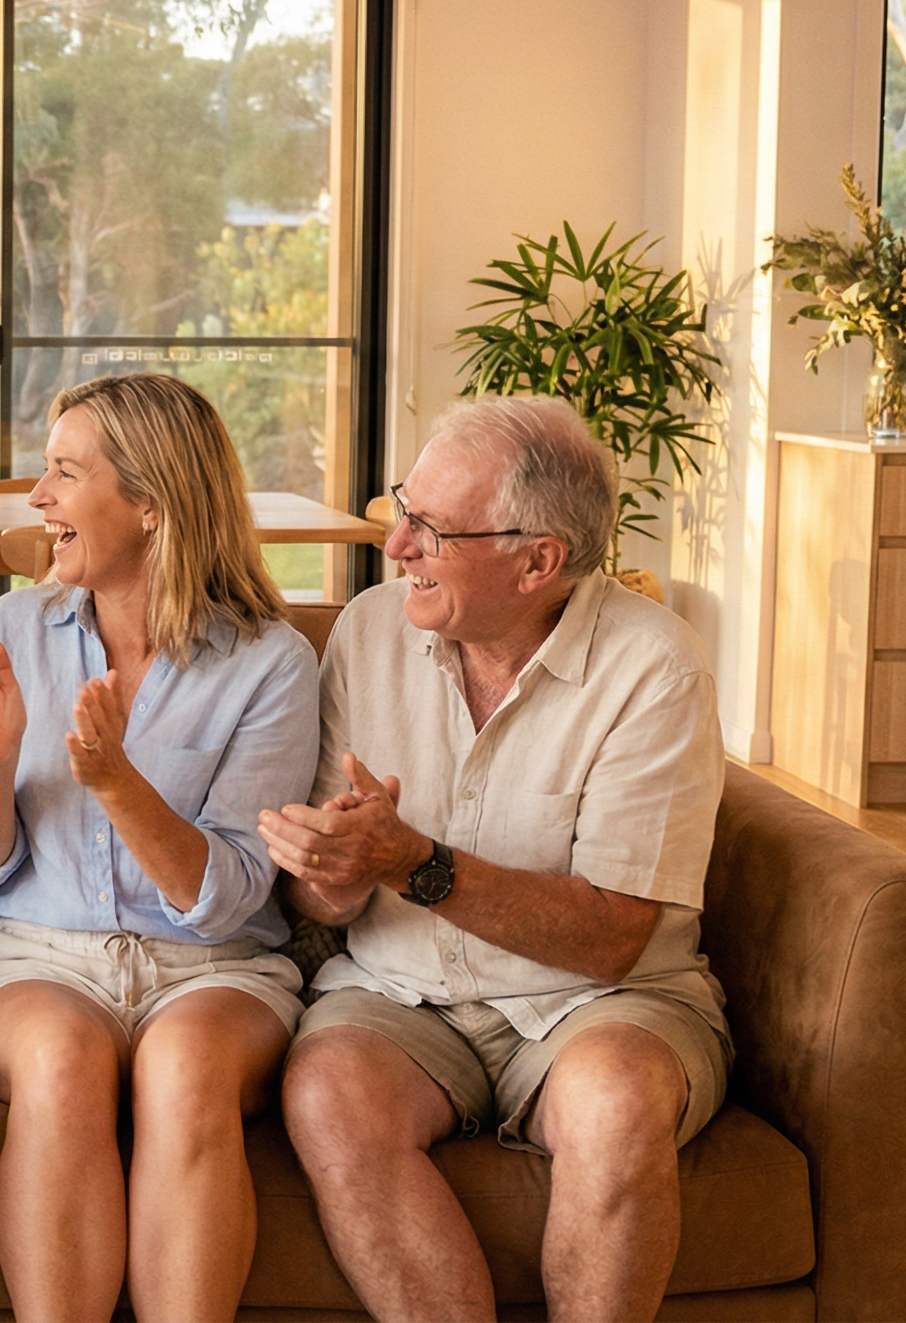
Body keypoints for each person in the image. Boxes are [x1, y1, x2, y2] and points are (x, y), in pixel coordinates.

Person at [259, 396, 729, 1323]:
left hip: (600, 1004)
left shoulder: (655, 669)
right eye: (405, 509)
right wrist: (335, 871)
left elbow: (612, 939)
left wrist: (413, 860)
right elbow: (324, 906)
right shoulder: (368, 630)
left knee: (618, 1102)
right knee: (329, 1091)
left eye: (431, 531)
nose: (396, 548)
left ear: (538, 560)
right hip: (397, 994)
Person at [0, 372, 319, 1321]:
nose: (38, 498)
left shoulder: (272, 661)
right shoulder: (13, 627)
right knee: (60, 1060)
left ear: (148, 503)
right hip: (37, 960)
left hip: (215, 968)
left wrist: (117, 784)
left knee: (186, 1068)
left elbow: (234, 891)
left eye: (65, 473)